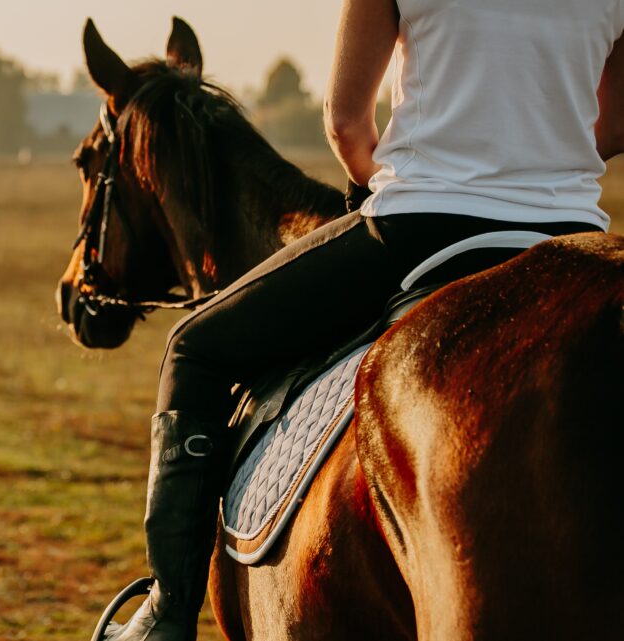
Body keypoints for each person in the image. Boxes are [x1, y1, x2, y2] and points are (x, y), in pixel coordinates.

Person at [105, 0, 620, 639]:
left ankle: (167, 611)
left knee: (194, 350)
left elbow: (348, 124)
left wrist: (420, 171)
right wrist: (543, 149)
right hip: (570, 232)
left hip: (424, 227)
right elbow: (615, 119)